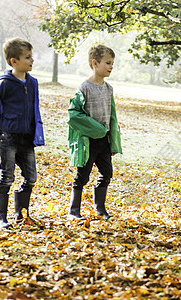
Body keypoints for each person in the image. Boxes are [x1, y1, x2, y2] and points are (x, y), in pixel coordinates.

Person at [0, 37, 45, 229]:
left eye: (32, 57)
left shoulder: (33, 83)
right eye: (27, 57)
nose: (32, 61)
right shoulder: (4, 83)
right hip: (8, 138)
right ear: (14, 61)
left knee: (30, 177)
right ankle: (0, 217)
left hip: (27, 139)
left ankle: (21, 215)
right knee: (7, 176)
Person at [66, 44, 122, 221]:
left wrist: (113, 141)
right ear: (95, 63)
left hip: (104, 141)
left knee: (107, 173)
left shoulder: (109, 89)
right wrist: (95, 128)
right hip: (87, 142)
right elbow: (73, 114)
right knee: (82, 177)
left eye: (112, 63)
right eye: (108, 63)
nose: (111, 67)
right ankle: (74, 211)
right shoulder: (84, 88)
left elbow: (112, 116)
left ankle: (101, 208)